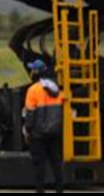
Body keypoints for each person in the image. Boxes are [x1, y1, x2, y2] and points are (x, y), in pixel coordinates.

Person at [23, 59, 64, 194]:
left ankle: (40, 190)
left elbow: (30, 114)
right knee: (56, 162)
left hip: (38, 134)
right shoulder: (56, 88)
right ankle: (59, 190)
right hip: (55, 132)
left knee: (39, 165)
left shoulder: (32, 90)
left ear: (35, 72)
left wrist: (27, 130)